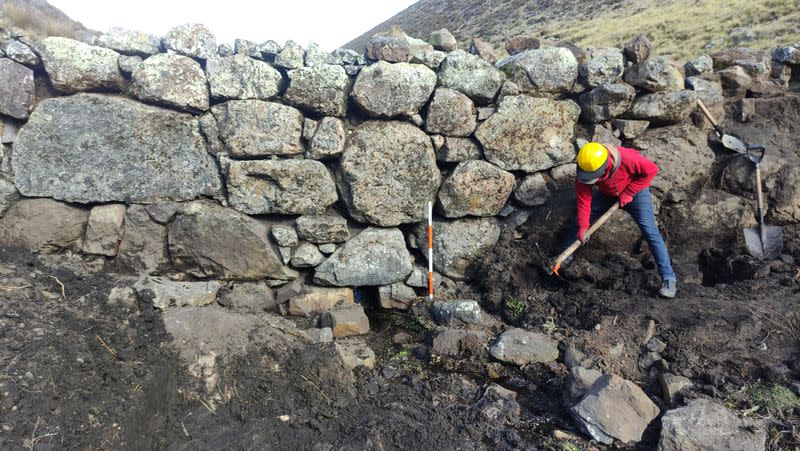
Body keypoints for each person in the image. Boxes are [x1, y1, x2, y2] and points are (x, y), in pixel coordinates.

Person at [559, 142, 677, 299]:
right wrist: (583, 227)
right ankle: (562, 260)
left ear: (607, 166)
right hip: (607, 194)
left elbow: (651, 170)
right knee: (578, 224)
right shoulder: (585, 169)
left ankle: (669, 279)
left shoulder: (628, 159)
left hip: (635, 193)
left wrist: (628, 193)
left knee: (650, 232)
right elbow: (584, 201)